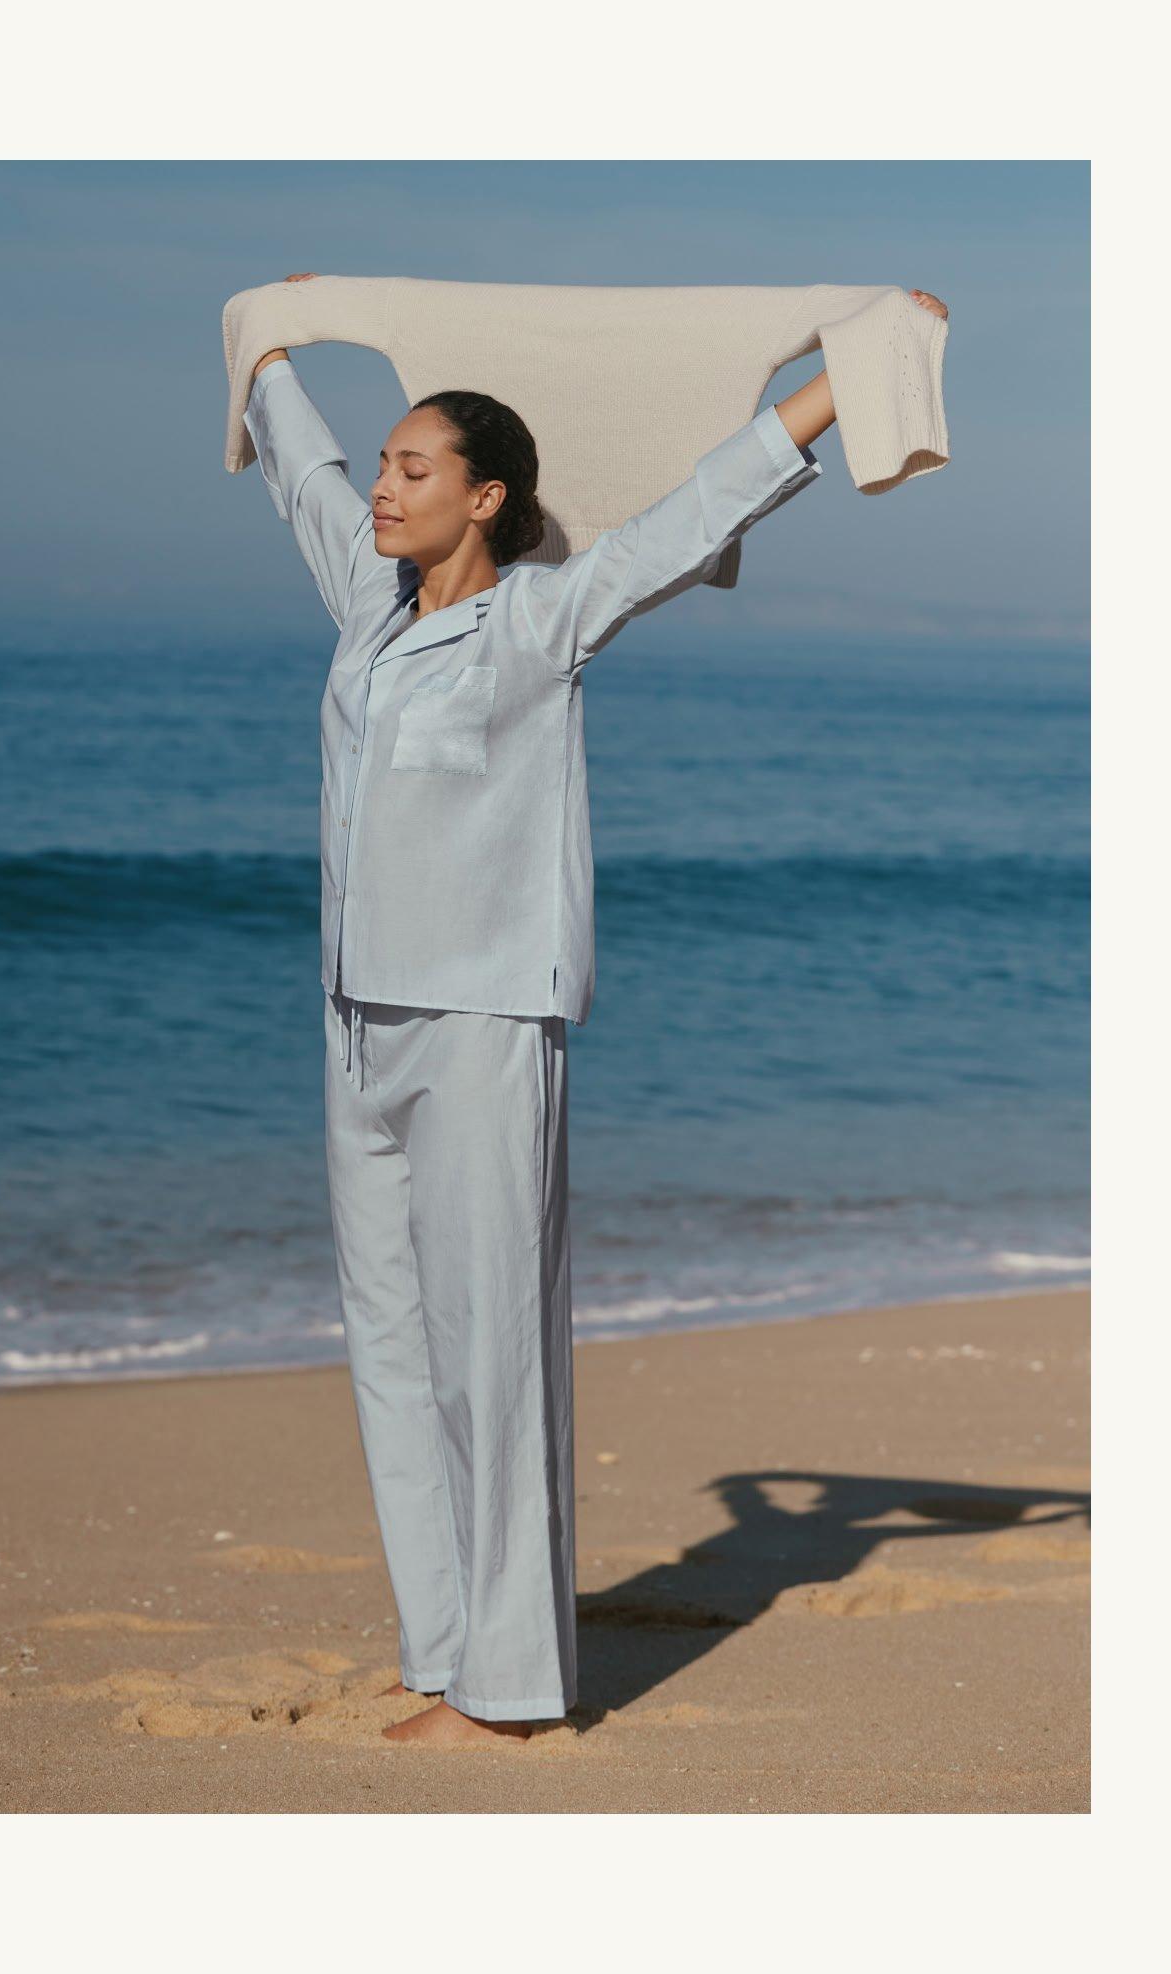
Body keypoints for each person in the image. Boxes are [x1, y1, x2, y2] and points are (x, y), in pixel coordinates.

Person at [241, 273, 949, 1748]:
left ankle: (508, 1695)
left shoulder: (543, 622)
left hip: (487, 1027)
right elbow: (298, 469)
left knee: (495, 1349)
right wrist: (273, 336)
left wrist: (841, 364)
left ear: (485, 499)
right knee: (394, 1342)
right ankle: (441, 1647)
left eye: (413, 467)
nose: (382, 485)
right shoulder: (362, 612)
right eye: (384, 462)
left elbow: (701, 508)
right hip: (355, 1023)